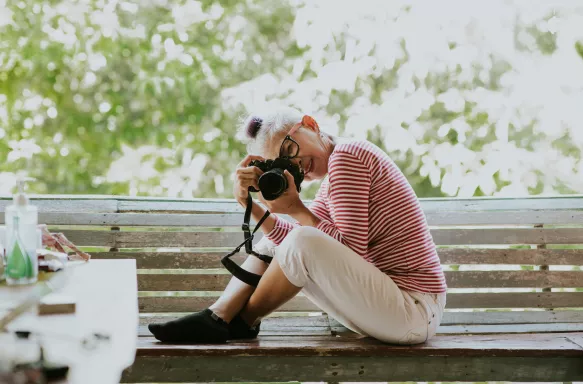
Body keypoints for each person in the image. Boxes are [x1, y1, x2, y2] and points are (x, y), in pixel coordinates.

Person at [148, 107, 447, 344]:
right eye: (283, 164)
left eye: (290, 150)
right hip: (400, 310)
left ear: (310, 124)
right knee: (280, 238)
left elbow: (348, 251)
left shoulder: (347, 157)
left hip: (413, 309)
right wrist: (252, 208)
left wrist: (296, 209)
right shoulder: (333, 179)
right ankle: (217, 317)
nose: (296, 165)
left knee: (301, 239)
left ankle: (239, 322)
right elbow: (298, 243)